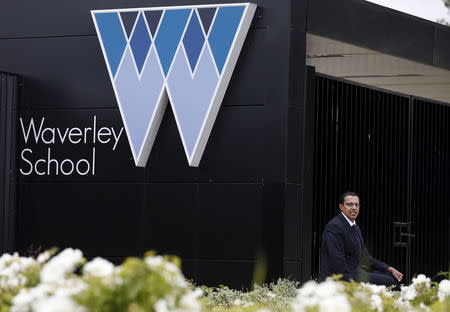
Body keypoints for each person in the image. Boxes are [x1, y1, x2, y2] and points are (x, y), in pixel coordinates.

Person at [319, 191, 403, 286]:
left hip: (355, 272)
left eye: (356, 205)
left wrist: (389, 268)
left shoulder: (355, 227)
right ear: (341, 207)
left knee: (390, 275)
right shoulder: (335, 226)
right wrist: (356, 282)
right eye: (350, 204)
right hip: (342, 277)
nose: (354, 208)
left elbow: (365, 257)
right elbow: (337, 261)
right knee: (390, 281)